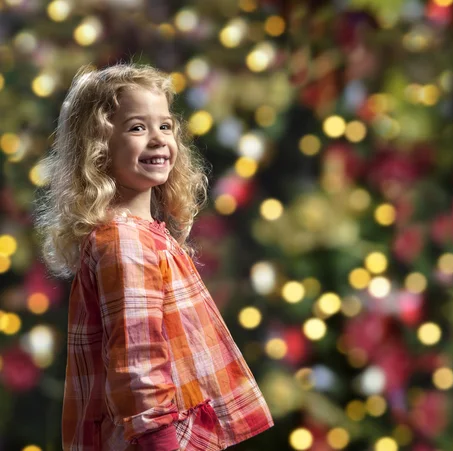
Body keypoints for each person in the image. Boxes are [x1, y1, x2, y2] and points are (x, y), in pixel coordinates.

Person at [33, 63, 274, 450]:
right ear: (98, 147)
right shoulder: (124, 242)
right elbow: (138, 358)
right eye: (136, 127)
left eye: (164, 125)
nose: (159, 139)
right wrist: (160, 441)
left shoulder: (139, 235)